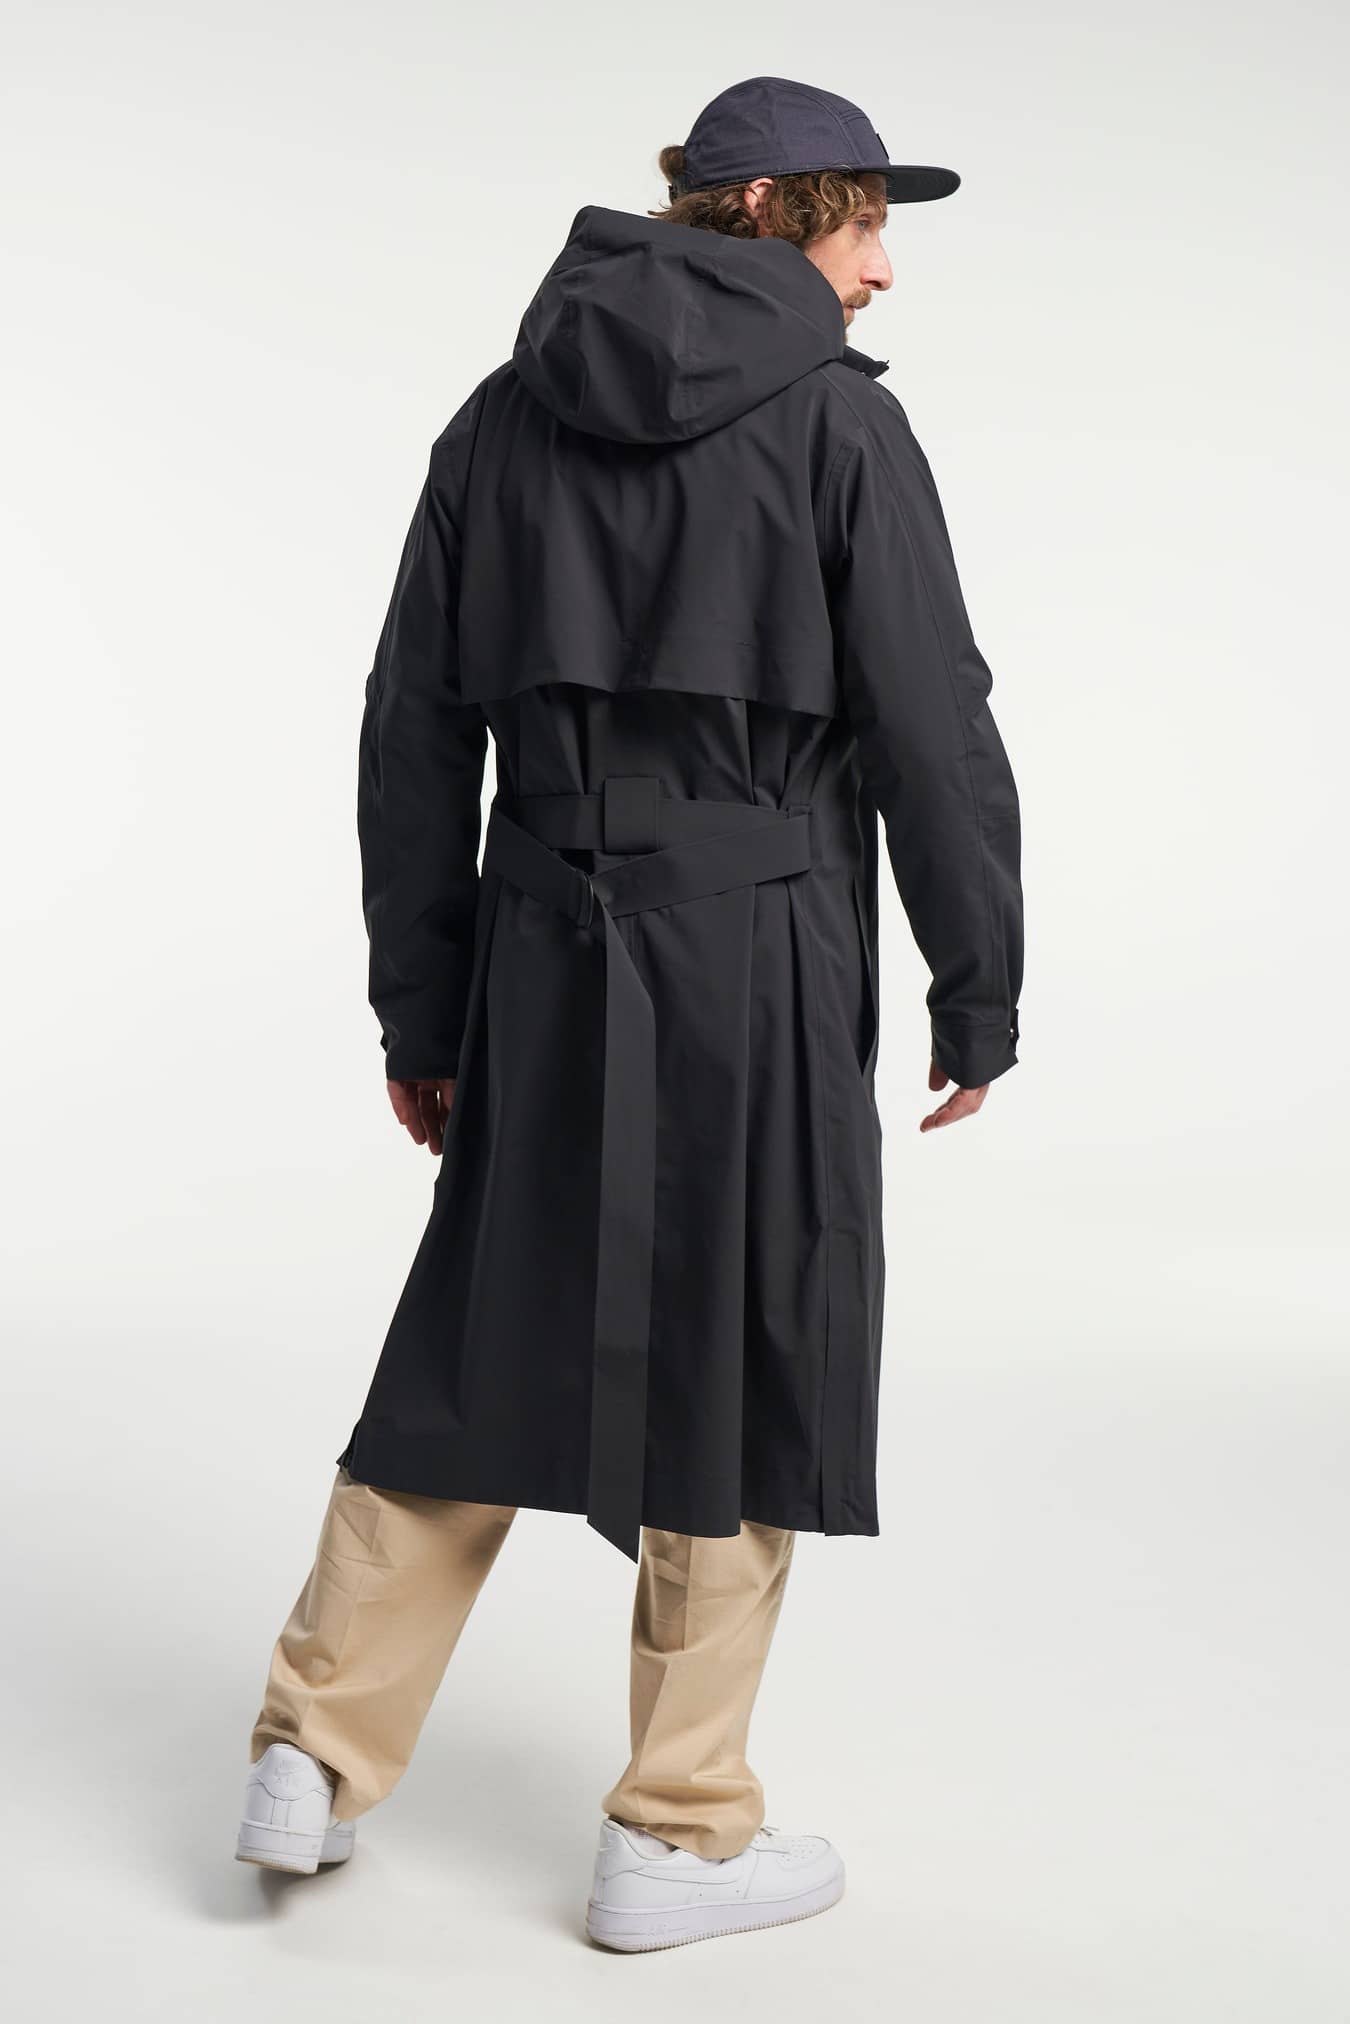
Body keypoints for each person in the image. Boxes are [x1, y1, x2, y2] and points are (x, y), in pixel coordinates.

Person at [236, 74, 1024, 1952]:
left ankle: (309, 1755)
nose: (883, 270)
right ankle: (675, 1833)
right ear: (778, 214)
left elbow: (412, 733)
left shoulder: (497, 418)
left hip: (540, 938)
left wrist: (424, 1011)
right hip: (751, 944)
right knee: (744, 1340)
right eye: (866, 226)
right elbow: (932, 726)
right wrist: (977, 984)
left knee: (479, 1329)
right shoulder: (839, 427)